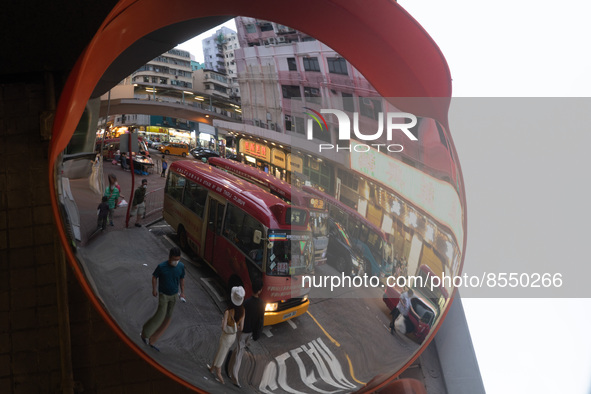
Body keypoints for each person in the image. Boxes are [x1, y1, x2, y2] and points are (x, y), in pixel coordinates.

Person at [140, 247, 186, 351]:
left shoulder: (181, 266)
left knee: (167, 319)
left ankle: (152, 340)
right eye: (174, 259)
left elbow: (182, 279)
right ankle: (145, 333)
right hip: (163, 295)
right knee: (160, 315)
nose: (176, 262)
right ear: (169, 257)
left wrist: (182, 293)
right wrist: (154, 289)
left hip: (174, 295)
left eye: (178, 259)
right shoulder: (161, 267)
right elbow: (154, 277)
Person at [228, 280, 264, 387]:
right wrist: (256, 334)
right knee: (240, 352)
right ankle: (235, 376)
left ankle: (230, 369)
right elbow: (260, 321)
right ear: (260, 291)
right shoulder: (261, 304)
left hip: (243, 331)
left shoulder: (247, 302)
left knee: (239, 349)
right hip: (250, 333)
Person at [208, 286, 245, 385]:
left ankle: (219, 376)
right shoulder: (242, 311)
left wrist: (223, 321)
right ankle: (211, 368)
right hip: (232, 336)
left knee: (221, 353)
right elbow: (241, 328)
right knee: (221, 351)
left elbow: (223, 328)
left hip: (225, 336)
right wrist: (234, 326)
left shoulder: (228, 312)